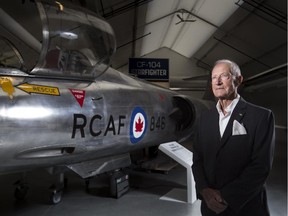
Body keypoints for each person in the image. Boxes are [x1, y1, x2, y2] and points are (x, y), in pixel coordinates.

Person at [192, 59, 275, 215]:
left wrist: (226, 196)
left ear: (239, 80)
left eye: (224, 76)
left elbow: (261, 166)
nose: (217, 82)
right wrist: (204, 190)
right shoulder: (205, 118)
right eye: (213, 77)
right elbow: (198, 159)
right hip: (211, 207)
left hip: (245, 206)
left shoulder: (261, 116)